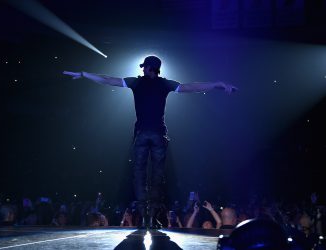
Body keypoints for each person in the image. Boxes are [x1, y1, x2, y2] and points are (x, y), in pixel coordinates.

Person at [63, 55, 237, 229]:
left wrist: (85, 74)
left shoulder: (137, 82)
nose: (142, 70)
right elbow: (190, 87)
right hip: (158, 134)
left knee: (139, 173)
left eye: (144, 67)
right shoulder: (164, 83)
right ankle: (151, 213)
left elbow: (109, 80)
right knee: (157, 176)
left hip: (141, 134)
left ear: (148, 67)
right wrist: (216, 84)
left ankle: (144, 213)